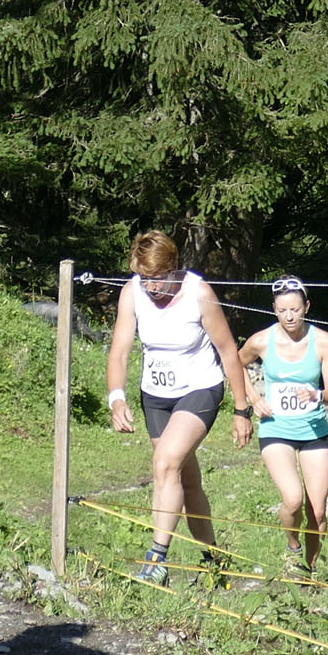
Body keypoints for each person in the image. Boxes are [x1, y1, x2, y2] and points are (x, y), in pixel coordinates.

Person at [103, 233, 252, 583]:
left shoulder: (198, 293)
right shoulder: (133, 292)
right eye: (145, 277)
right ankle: (214, 560)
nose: (151, 286)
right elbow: (120, 351)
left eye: (158, 277)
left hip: (200, 388)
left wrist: (241, 409)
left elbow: (228, 351)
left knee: (165, 464)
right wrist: (116, 397)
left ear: (174, 268)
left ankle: (157, 561)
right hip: (156, 395)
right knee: (186, 480)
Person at [239, 277, 328, 573]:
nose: (290, 317)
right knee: (293, 499)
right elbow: (235, 363)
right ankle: (293, 548)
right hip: (276, 429)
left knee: (317, 512)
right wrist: (253, 398)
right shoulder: (261, 341)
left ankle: (311, 571)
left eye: (295, 309)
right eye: (282, 311)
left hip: (314, 430)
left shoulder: (324, 342)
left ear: (306, 307)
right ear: (274, 309)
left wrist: (316, 394)